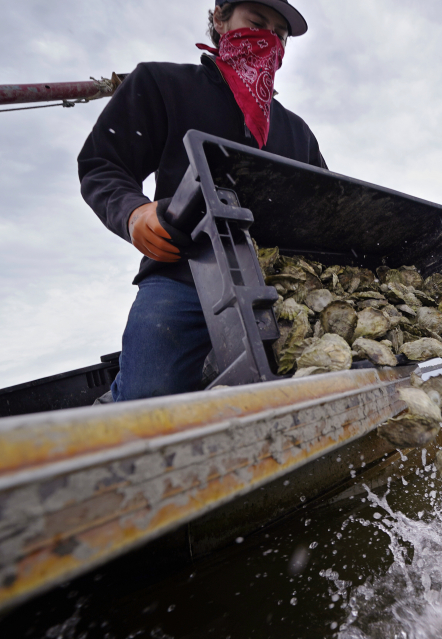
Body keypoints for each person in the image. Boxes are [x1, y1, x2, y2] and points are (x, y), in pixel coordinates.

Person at [78, 0, 325, 402]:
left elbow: (326, 209)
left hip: (280, 287)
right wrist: (133, 213)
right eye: (256, 23)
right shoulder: (164, 84)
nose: (267, 40)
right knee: (149, 397)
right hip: (184, 274)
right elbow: (103, 163)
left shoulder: (297, 133)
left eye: (279, 36)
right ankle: (112, 404)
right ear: (220, 19)